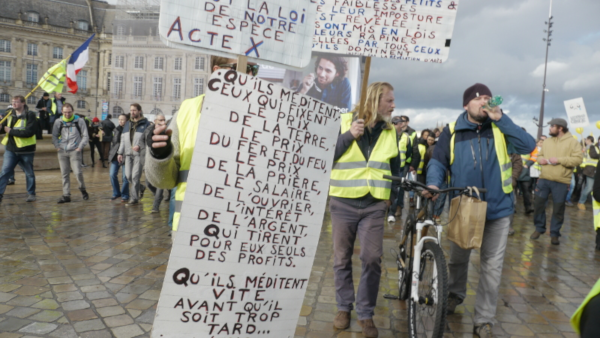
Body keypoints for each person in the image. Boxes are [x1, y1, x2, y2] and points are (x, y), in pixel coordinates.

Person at [424, 83, 535, 338]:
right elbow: (438, 162)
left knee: (492, 267)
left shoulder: (500, 127)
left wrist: (501, 118)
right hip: (465, 206)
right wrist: (433, 183)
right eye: (478, 99)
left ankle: (484, 319)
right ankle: (454, 294)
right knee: (458, 259)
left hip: (499, 209)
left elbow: (528, 146)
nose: (484, 102)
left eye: (487, 98)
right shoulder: (452, 131)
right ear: (466, 105)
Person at [145, 56, 258, 231]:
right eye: (241, 68)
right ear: (218, 71)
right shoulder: (187, 109)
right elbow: (164, 181)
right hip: (192, 229)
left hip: (245, 229)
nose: (250, 74)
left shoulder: (267, 116)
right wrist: (160, 155)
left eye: (254, 69)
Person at [328, 82, 399, 338]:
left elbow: (395, 168)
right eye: (389, 101)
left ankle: (366, 313)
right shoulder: (343, 120)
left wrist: (392, 199)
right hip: (343, 202)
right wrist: (348, 136)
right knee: (341, 258)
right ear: (374, 100)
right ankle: (343, 307)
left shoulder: (391, 131)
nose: (393, 105)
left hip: (374, 205)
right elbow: (325, 156)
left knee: (372, 259)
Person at [530, 118, 582, 245]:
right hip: (544, 179)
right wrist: (539, 160)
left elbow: (578, 160)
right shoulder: (547, 141)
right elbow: (540, 155)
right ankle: (539, 228)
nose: (549, 128)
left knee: (558, 209)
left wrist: (559, 160)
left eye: (552, 126)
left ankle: (554, 234)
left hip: (561, 181)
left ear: (560, 128)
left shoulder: (573, 142)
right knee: (538, 205)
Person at [0, 96, 38, 203]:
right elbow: (4, 129)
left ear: (23, 103)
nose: (14, 104)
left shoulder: (30, 115)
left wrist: (10, 131)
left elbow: (29, 132)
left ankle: (31, 194)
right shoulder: (9, 114)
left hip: (26, 150)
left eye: (16, 102)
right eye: (12, 102)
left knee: (29, 173)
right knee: (4, 172)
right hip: (11, 149)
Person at [52, 103, 89, 203]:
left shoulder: (79, 121)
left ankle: (83, 190)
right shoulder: (58, 121)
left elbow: (85, 136)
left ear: (72, 111)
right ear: (62, 112)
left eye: (69, 112)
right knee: (64, 174)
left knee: (78, 172)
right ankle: (66, 195)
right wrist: (57, 147)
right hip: (62, 151)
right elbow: (54, 135)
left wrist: (79, 148)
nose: (67, 114)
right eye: (65, 112)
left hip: (74, 151)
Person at [117, 104, 149, 205]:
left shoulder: (146, 124)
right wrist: (120, 153)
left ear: (139, 111)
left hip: (139, 154)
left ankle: (134, 198)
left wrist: (140, 146)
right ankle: (141, 187)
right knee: (128, 176)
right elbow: (123, 139)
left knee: (135, 177)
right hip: (127, 154)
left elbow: (148, 139)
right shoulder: (127, 124)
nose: (132, 112)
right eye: (131, 110)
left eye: (134, 110)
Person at [387, 116, 412, 222]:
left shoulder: (406, 136)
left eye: (401, 123)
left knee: (397, 190)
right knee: (387, 189)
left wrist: (407, 165)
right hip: (387, 167)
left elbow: (409, 152)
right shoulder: (387, 135)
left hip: (401, 168)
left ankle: (392, 211)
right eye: (398, 123)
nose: (400, 125)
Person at [145, 112, 168, 213]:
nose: (163, 122)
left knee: (160, 184)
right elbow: (143, 141)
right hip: (150, 161)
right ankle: (161, 196)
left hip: (163, 162)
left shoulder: (167, 130)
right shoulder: (149, 130)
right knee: (148, 183)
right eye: (160, 120)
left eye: (164, 120)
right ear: (155, 121)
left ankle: (155, 206)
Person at [108, 114, 129, 202]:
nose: (120, 121)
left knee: (125, 177)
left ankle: (125, 194)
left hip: (126, 155)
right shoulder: (116, 129)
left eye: (122, 119)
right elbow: (114, 142)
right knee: (112, 174)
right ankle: (116, 193)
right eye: (119, 119)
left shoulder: (129, 130)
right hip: (115, 155)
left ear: (127, 120)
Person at [577, 136, 598, 210]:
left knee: (594, 188)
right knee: (589, 187)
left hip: (595, 170)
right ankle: (581, 202)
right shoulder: (592, 146)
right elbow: (593, 155)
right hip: (591, 170)